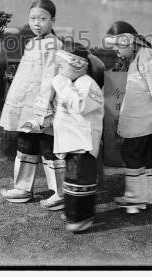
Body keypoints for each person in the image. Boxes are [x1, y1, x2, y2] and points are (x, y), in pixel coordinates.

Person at [0, 0, 65, 209]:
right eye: (33, 18)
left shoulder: (54, 44)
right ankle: (23, 188)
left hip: (44, 107)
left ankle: (59, 192)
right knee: (25, 144)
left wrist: (43, 108)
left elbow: (50, 79)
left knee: (49, 148)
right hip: (26, 106)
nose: (37, 23)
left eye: (43, 19)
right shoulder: (31, 43)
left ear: (52, 20)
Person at [103, 21, 152, 214]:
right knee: (144, 157)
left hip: (142, 122)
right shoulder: (139, 58)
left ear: (131, 42)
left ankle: (134, 199)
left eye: (119, 45)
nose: (116, 50)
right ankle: (148, 197)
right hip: (141, 121)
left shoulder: (146, 57)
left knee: (131, 154)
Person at [51, 42, 104, 232]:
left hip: (83, 143)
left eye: (62, 66)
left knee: (81, 179)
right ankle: (73, 211)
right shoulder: (74, 83)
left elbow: (81, 106)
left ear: (77, 66)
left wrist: (62, 85)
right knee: (72, 178)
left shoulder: (88, 84)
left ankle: (82, 217)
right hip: (72, 143)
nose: (59, 70)